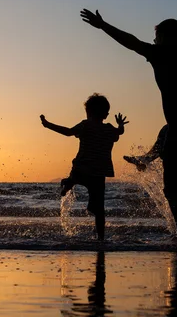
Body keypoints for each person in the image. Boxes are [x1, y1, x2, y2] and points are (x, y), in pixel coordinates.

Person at [80, 6, 177, 239]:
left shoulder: (158, 53)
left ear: (162, 36)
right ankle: (147, 159)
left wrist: (103, 26)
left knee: (172, 183)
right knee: (166, 132)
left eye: (156, 36)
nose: (154, 39)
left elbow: (130, 41)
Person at [40, 93, 128, 240]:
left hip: (82, 169)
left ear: (88, 112)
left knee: (74, 177)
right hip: (99, 174)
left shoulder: (86, 125)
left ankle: (68, 184)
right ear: (106, 114)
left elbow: (67, 132)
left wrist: (48, 124)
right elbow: (120, 132)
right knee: (99, 210)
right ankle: (101, 239)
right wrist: (120, 124)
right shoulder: (109, 129)